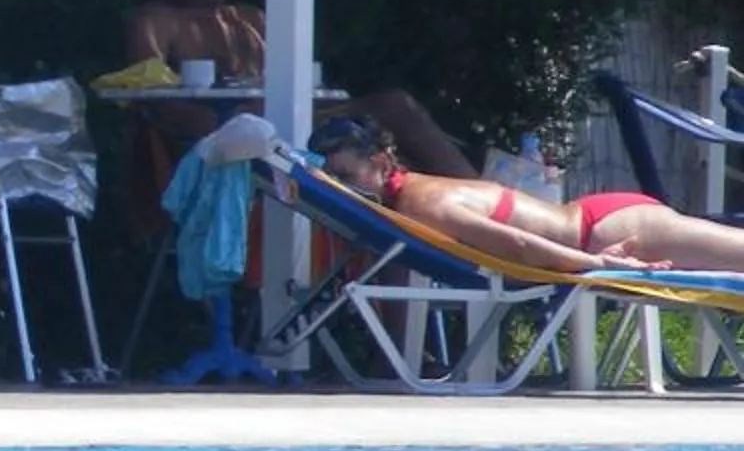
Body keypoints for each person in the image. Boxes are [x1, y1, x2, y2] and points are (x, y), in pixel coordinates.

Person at [122, 0, 475, 176]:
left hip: (293, 132)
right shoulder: (154, 21)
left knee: (387, 136)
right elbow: (156, 105)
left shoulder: (250, 18)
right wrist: (232, 127)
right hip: (230, 148)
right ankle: (492, 209)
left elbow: (297, 88)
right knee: (394, 107)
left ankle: (468, 223)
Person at [310, 113, 744, 279]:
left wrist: (599, 264)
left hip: (608, 232)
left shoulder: (426, 205)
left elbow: (514, 243)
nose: (338, 183)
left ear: (383, 164)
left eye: (346, 174)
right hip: (595, 222)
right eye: (330, 174)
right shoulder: (410, 195)